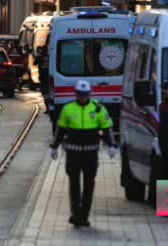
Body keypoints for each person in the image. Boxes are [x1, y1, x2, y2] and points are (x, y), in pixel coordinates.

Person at [49, 80, 117, 228]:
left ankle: (84, 216)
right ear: (76, 94)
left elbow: (107, 127)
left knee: (89, 184)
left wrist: (112, 144)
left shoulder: (98, 108)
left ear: (89, 94)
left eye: (85, 95)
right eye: (80, 95)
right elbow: (60, 129)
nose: (82, 98)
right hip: (73, 153)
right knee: (74, 184)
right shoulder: (68, 109)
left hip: (90, 153)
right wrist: (54, 146)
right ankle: (76, 214)